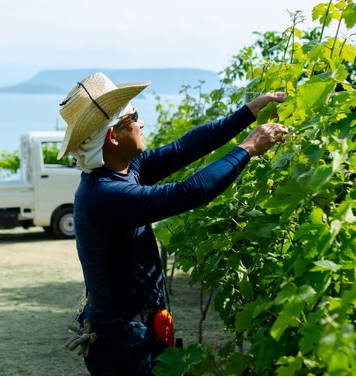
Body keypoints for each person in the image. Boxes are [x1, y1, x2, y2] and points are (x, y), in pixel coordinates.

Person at [59, 72, 288, 375]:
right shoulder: (105, 195)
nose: (141, 124)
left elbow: (184, 148)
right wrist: (247, 148)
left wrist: (247, 113)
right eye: (134, 117)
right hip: (124, 341)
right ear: (113, 136)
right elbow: (189, 192)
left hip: (137, 327)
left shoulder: (123, 170)